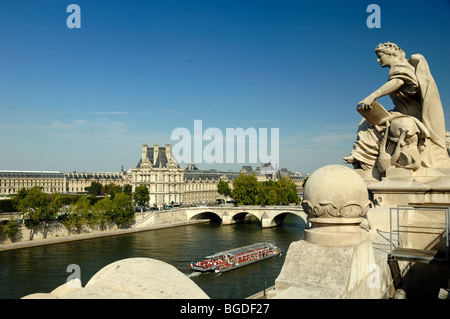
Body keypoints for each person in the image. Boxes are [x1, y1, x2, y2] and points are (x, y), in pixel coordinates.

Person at [344, 42, 449, 174]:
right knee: (366, 123)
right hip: (399, 112)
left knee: (397, 126)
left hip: (413, 116)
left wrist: (372, 96)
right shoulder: (397, 69)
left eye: (380, 56)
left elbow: (397, 82)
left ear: (390, 55)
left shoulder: (402, 67)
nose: (378, 60)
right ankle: (360, 156)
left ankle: (396, 160)